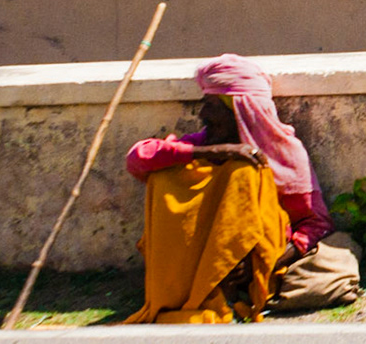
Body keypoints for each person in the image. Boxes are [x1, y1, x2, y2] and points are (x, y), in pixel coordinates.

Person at [124, 55, 333, 322]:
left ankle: (234, 298)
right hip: (198, 260)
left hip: (254, 261)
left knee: (243, 171)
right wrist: (212, 151)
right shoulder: (204, 144)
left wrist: (266, 261)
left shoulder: (287, 153)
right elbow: (138, 157)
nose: (202, 115)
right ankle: (186, 295)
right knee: (164, 175)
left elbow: (317, 224)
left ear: (239, 111)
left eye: (210, 106)